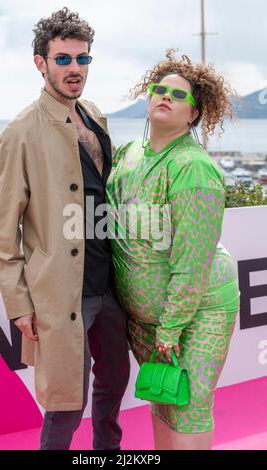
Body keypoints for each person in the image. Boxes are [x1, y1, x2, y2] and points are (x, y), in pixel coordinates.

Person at [0, 7, 130, 450]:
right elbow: (3, 232)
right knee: (66, 402)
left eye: (82, 59)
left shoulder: (93, 115)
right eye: (64, 59)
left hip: (108, 282)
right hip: (62, 290)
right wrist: (19, 305)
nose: (75, 69)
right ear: (40, 62)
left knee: (114, 382)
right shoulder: (21, 132)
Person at [106, 49, 240, 450]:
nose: (166, 97)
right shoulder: (128, 155)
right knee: (164, 401)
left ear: (194, 114)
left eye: (179, 95)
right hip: (145, 320)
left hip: (194, 314)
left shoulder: (192, 167)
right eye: (159, 89)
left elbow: (193, 260)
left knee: (188, 407)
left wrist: (170, 329)